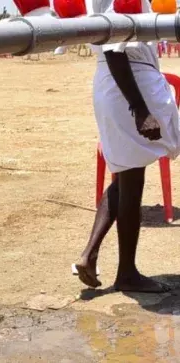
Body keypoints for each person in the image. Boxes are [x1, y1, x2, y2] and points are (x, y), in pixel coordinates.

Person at [74, 0, 180, 293]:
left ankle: (89, 254)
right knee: (131, 183)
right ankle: (127, 274)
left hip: (121, 85)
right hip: (128, 88)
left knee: (124, 176)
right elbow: (114, 49)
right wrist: (140, 110)